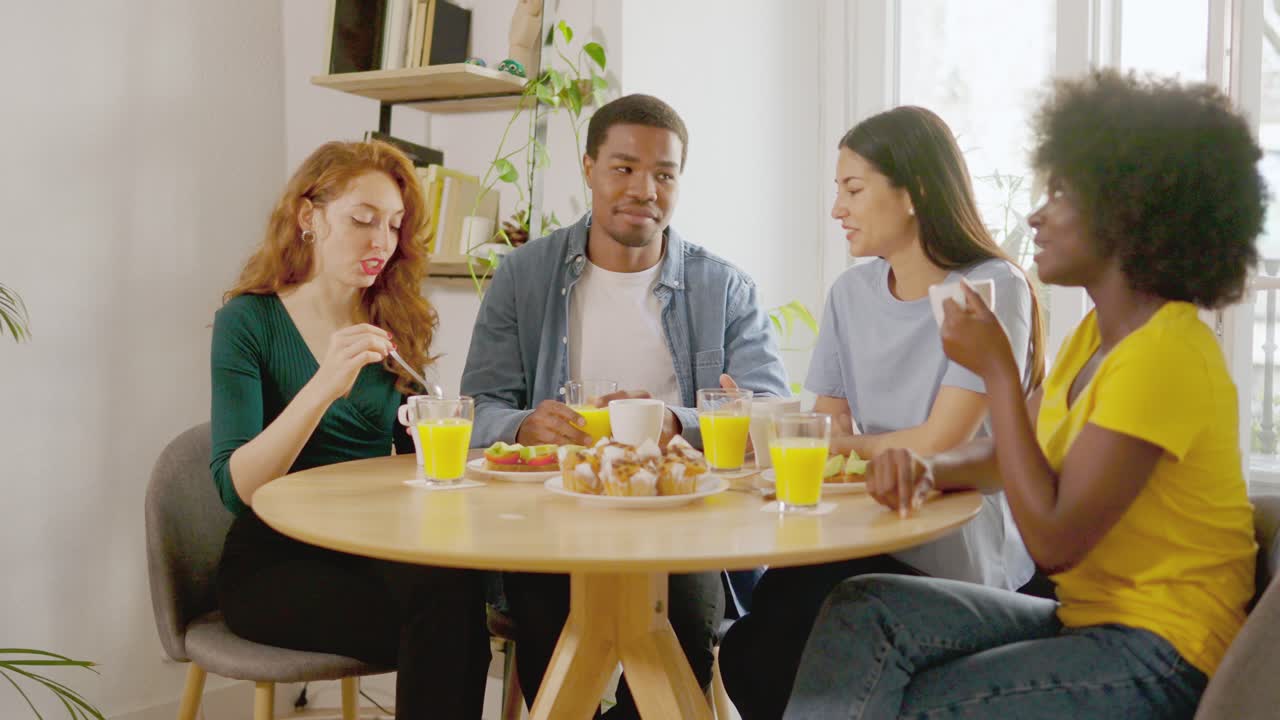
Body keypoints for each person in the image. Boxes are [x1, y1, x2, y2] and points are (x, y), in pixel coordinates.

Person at [784, 69, 1263, 720]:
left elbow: (1055, 542)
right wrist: (925, 468)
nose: (1036, 214)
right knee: (863, 609)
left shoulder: (1167, 354)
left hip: (1162, 653)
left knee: (915, 700)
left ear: (1129, 212)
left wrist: (1001, 376)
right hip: (1086, 621)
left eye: (1061, 195)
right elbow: (1015, 461)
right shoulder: (1095, 337)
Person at [460, 93, 790, 717]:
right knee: (551, 646)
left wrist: (675, 424)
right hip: (552, 516)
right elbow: (477, 411)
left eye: (664, 174)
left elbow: (772, 407)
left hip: (682, 523)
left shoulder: (725, 288)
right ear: (588, 168)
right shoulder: (523, 276)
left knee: (680, 644)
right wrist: (527, 424)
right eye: (624, 168)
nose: (645, 189)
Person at [718, 105, 1045, 720]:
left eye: (853, 189)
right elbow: (830, 425)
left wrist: (827, 442)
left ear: (915, 191)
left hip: (954, 540)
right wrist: (798, 431)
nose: (837, 208)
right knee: (752, 642)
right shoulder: (851, 293)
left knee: (782, 632)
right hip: (868, 523)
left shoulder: (989, 285)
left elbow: (941, 440)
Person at [211, 141, 490, 719]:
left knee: (456, 595)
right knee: (445, 618)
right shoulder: (247, 321)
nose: (382, 242)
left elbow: (417, 460)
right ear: (308, 217)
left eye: (393, 225)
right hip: (275, 560)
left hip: (369, 544)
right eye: (362, 221)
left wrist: (431, 428)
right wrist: (323, 385)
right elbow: (236, 487)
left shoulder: (395, 319)